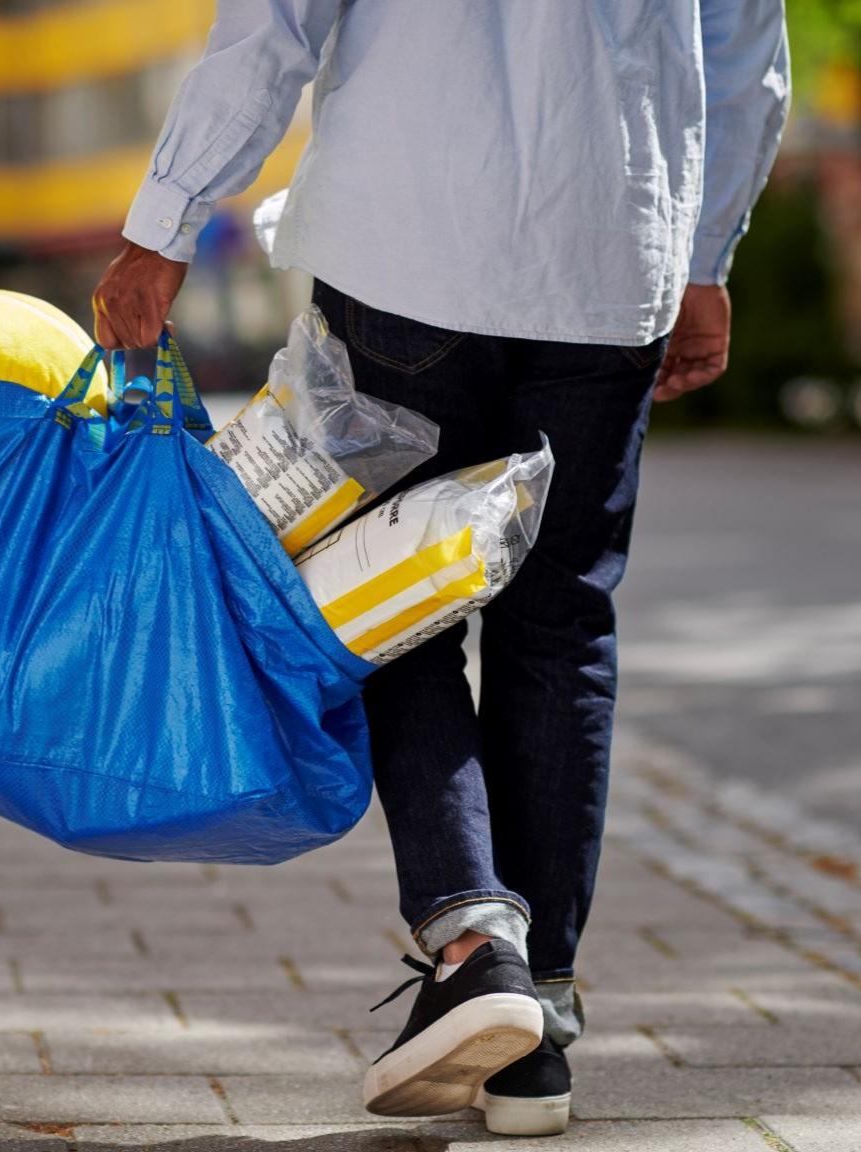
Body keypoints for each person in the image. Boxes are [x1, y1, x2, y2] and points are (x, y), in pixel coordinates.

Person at [92, 1, 790, 1135]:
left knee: (383, 597)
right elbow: (744, 47)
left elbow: (275, 22)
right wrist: (707, 255)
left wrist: (164, 224)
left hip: (408, 240)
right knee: (560, 626)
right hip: (611, 256)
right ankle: (538, 1028)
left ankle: (475, 945)